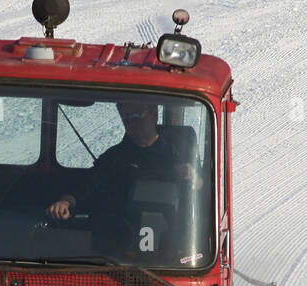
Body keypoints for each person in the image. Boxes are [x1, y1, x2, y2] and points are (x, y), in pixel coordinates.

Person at [46, 100, 200, 237]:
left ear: (154, 114)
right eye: (126, 118)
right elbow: (86, 185)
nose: (130, 123)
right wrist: (65, 202)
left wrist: (194, 177)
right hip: (120, 240)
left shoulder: (179, 152)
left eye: (136, 116)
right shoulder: (114, 157)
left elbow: (202, 190)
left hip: (174, 242)